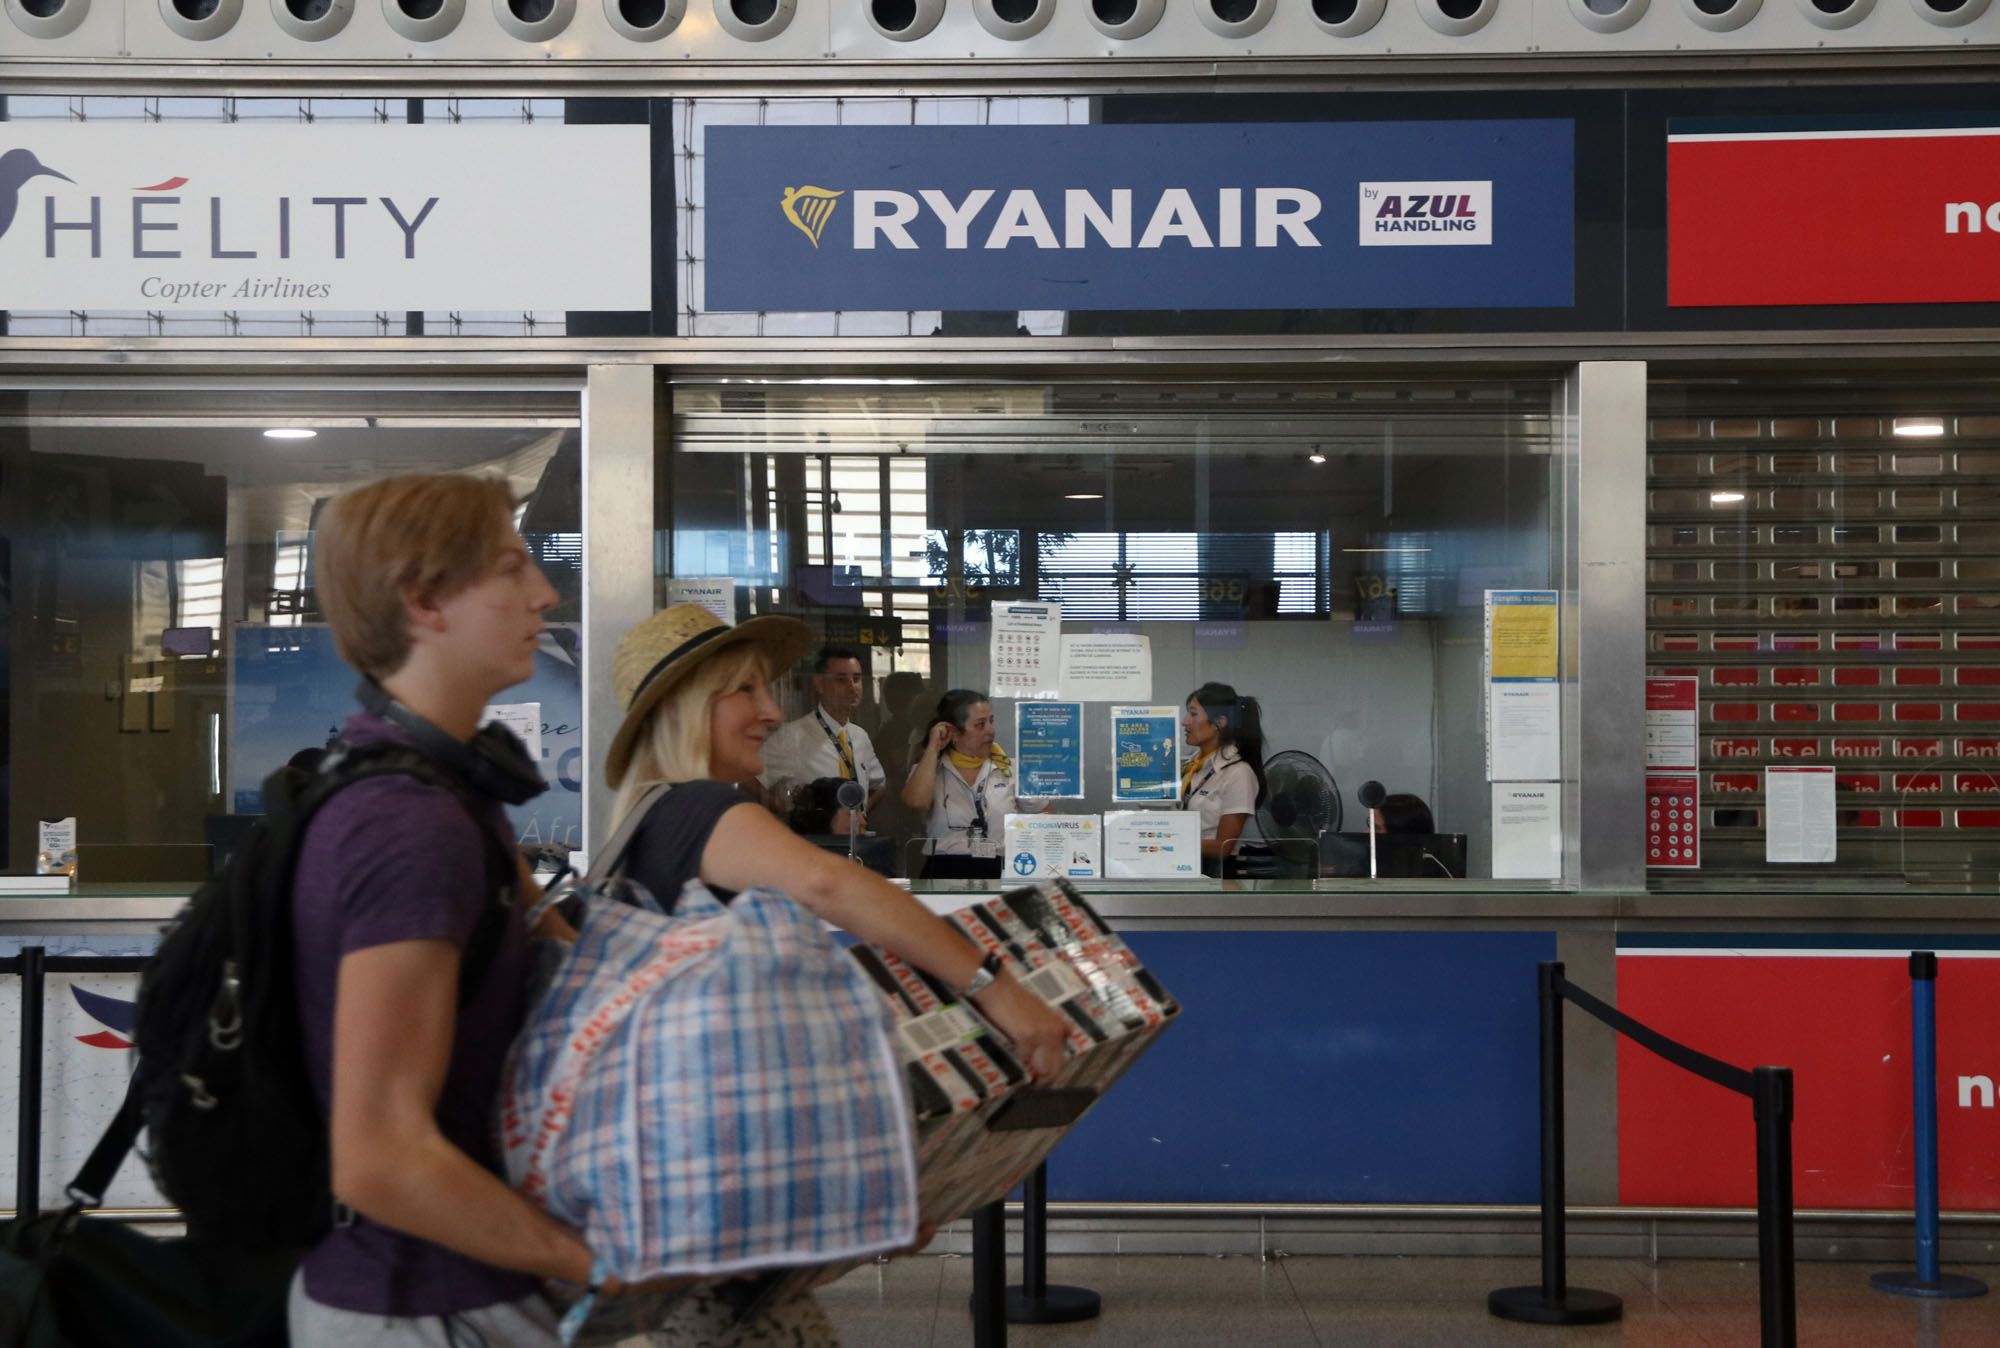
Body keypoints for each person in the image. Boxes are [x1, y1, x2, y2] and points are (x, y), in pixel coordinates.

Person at [604, 605, 1071, 1342]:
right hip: (706, 1235)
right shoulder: (702, 810)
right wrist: (999, 991)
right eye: (747, 692)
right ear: (685, 706)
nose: (768, 711)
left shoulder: (643, 820)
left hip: (697, 1210)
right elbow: (836, 888)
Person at [291, 472, 618, 1347]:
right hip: (423, 1304)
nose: (544, 592)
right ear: (425, 599)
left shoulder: (436, 793)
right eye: (511, 568)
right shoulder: (408, 826)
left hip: (456, 1289)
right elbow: (381, 1156)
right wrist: (604, 1263)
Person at [757, 643, 888, 823]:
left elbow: (879, 786)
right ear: (820, 684)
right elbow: (750, 782)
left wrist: (860, 815)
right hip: (813, 843)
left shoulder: (860, 736)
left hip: (855, 842)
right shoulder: (793, 735)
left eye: (856, 679)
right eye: (841, 679)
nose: (852, 687)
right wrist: (789, 812)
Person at [899, 689, 1020, 881]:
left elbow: (1043, 817)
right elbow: (915, 803)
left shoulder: (1010, 768)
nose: (991, 730)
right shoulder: (930, 769)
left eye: (991, 721)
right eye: (980, 724)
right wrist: (933, 747)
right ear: (954, 733)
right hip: (944, 870)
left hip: (1000, 869)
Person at [1180, 682, 1268, 864]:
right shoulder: (1190, 766)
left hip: (1214, 874)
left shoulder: (1238, 773)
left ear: (1219, 722)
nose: (1185, 721)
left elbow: (1224, 846)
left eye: (1193, 714)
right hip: (1181, 865)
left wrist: (1171, 843)